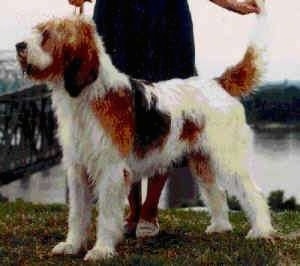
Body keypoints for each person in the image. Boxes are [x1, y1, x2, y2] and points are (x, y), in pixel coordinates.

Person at [69, 0, 260, 238]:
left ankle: (149, 210)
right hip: (116, 14)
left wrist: (232, 4)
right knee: (121, 108)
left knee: (171, 109)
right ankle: (133, 211)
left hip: (165, 15)